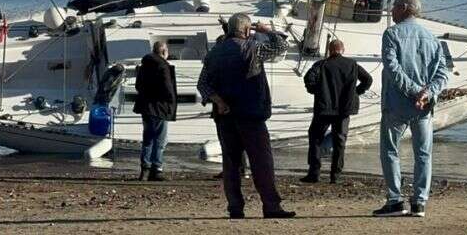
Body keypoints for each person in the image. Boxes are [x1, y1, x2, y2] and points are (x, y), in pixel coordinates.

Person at [197, 13, 296, 220]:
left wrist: (219, 101)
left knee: (231, 163)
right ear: (245, 29)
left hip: (225, 116)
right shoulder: (253, 48)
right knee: (261, 162)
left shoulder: (214, 53)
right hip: (251, 113)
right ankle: (271, 205)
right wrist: (265, 30)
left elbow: (203, 84)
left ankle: (235, 207)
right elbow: (281, 46)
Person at [372, 0, 449, 219]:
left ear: (405, 7)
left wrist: (415, 91)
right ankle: (419, 202)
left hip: (396, 103)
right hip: (423, 107)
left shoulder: (392, 34)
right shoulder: (432, 38)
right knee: (424, 154)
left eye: (395, 6)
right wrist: (427, 92)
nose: (391, 10)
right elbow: (443, 73)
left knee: (390, 151)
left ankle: (395, 200)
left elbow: (392, 68)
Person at [301, 38, 372, 184]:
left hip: (324, 109)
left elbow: (309, 79)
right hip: (344, 110)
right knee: (339, 141)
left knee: (315, 138)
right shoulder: (352, 64)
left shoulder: (321, 64)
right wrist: (356, 92)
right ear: (343, 50)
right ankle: (335, 176)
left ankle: (314, 173)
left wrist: (317, 91)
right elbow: (368, 79)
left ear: (329, 50)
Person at [134, 40, 177, 181]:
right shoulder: (163, 66)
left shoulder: (144, 65)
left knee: (148, 138)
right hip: (160, 107)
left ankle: (144, 169)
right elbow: (167, 87)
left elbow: (138, 86)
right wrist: (171, 101)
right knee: (159, 139)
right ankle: (156, 168)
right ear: (164, 52)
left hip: (145, 107)